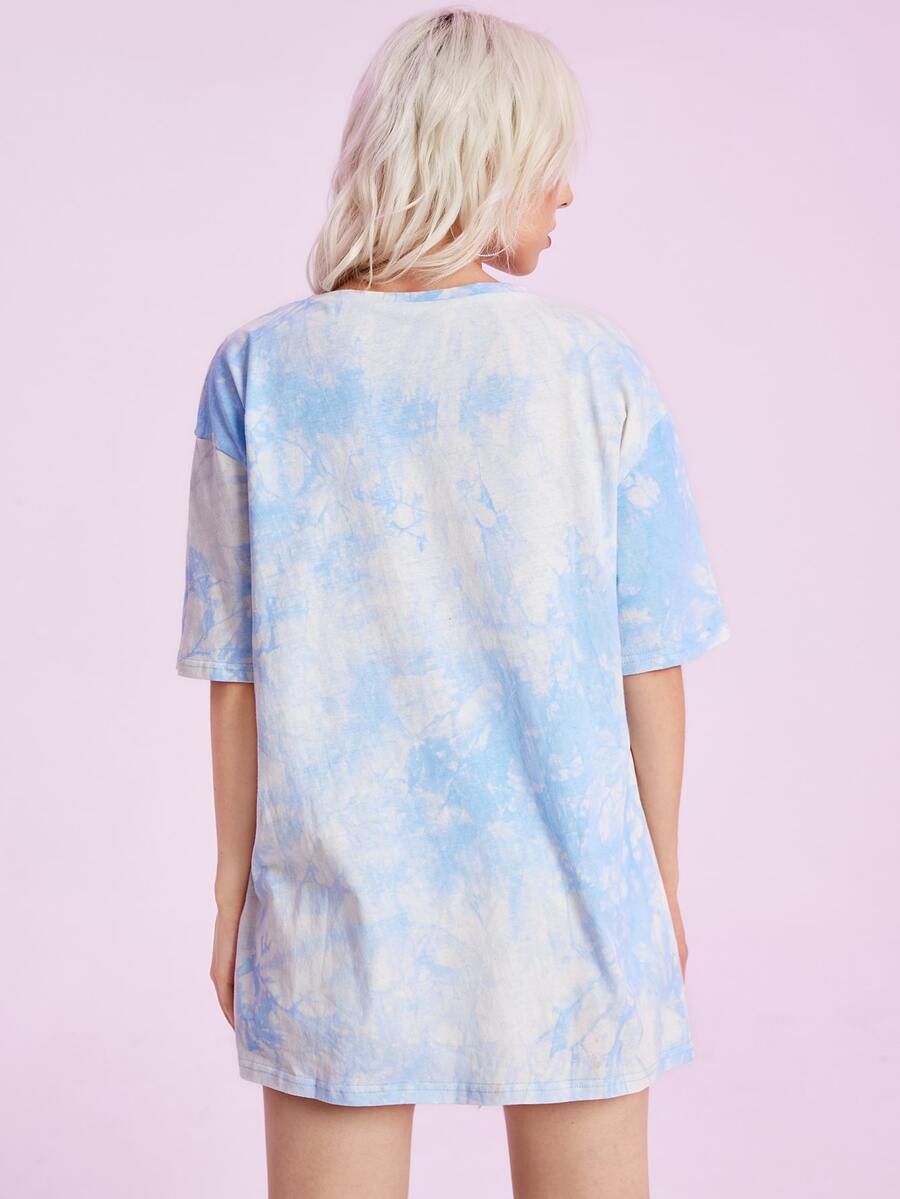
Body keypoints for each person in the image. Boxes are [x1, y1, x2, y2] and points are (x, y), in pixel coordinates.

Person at [175, 9, 731, 1197]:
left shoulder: (259, 370)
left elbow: (237, 672)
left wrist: (234, 891)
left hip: (336, 900)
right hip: (574, 888)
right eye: (547, 159)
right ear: (481, 157)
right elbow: (651, 656)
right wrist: (657, 883)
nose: (566, 191)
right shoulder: (596, 368)